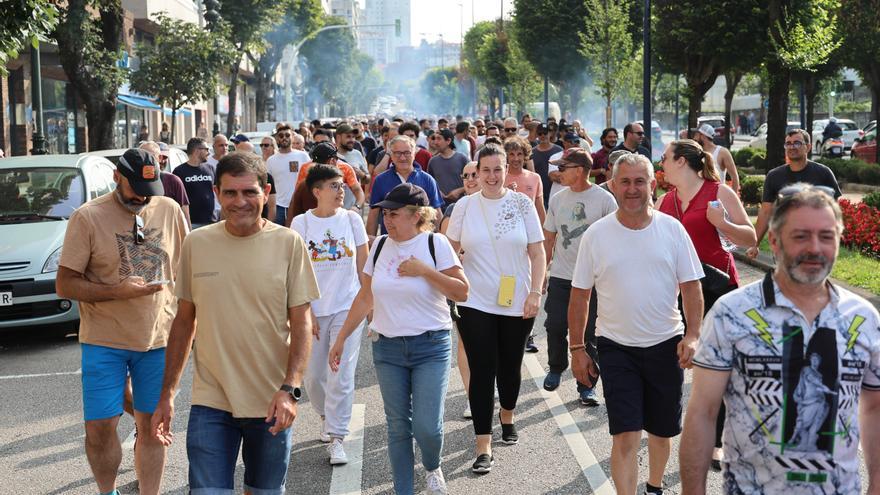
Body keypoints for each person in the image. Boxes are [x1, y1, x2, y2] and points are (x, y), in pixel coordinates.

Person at [680, 184, 880, 494]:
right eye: (800, 236)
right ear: (774, 241)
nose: (814, 248)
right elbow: (702, 414)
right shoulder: (731, 313)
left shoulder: (864, 319)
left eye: (826, 236)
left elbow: (875, 410)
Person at [151, 152, 320, 494]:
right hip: (212, 401)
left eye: (249, 192)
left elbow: (301, 323)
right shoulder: (197, 244)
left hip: (272, 401)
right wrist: (167, 393)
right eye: (230, 193)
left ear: (266, 191)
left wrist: (290, 389)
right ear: (216, 194)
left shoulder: (289, 243)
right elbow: (184, 323)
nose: (239, 202)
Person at [568, 153, 705, 495]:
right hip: (616, 347)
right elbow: (580, 295)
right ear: (612, 185)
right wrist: (577, 348)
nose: (632, 189)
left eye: (639, 181)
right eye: (625, 182)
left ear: (652, 185)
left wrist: (692, 335)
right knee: (626, 434)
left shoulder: (672, 230)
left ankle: (654, 487)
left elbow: (691, 287)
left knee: (661, 433)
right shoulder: (596, 235)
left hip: (665, 344)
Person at [56, 148, 188, 495]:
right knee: (99, 427)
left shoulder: (169, 209)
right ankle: (107, 492)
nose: (143, 198)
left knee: (151, 424)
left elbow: (188, 272)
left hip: (158, 339)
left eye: (150, 190)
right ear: (117, 177)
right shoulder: (87, 217)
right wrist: (117, 291)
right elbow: (65, 283)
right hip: (105, 340)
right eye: (135, 189)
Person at [328, 183, 468, 495]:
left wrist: (425, 271)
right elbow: (365, 297)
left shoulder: (435, 243)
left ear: (417, 215)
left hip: (431, 345)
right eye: (385, 213)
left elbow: (462, 291)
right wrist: (340, 339)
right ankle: (403, 489)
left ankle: (432, 465)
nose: (387, 220)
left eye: (395, 214)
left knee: (427, 427)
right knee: (398, 426)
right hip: (387, 347)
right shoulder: (378, 246)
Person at [656, 139, 757, 471]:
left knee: (714, 367)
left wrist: (722, 222)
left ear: (682, 162)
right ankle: (672, 426)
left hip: (716, 289)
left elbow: (749, 237)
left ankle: (716, 442)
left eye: (666, 159)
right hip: (677, 292)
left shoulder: (719, 192)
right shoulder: (666, 201)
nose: (662, 165)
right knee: (678, 361)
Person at [447, 143, 546, 474]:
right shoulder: (464, 207)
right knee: (481, 370)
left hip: (515, 300)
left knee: (509, 368)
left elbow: (537, 251)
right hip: (473, 301)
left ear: (507, 170)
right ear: (476, 172)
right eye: (484, 170)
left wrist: (534, 292)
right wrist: (452, 265)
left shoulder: (521, 204)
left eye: (497, 169)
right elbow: (449, 249)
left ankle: (507, 414)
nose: (490, 176)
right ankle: (483, 444)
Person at [291, 164, 368, 466]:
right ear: (317, 192)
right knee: (312, 377)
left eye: (343, 186)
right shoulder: (301, 223)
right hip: (312, 308)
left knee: (341, 373)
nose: (342, 191)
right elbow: (295, 270)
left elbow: (364, 266)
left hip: (347, 307)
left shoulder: (352, 220)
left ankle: (337, 437)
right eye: (335, 186)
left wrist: (369, 304)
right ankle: (326, 415)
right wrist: (305, 309)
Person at [542, 148, 617, 406]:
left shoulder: (605, 200)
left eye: (562, 168)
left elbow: (616, 240)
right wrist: (542, 273)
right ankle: (556, 366)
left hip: (593, 280)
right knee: (554, 326)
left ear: (579, 170)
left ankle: (586, 385)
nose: (557, 173)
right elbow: (549, 238)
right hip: (562, 276)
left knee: (587, 334)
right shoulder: (558, 199)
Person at [747, 129, 841, 260]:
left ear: (808, 147)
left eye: (797, 143)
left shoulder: (823, 173)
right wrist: (754, 244)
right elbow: (765, 212)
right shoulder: (774, 176)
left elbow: (835, 210)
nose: (792, 147)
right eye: (788, 144)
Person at [367, 135, 443, 238]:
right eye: (397, 153)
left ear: (414, 153)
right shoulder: (380, 180)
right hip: (391, 242)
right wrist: (370, 243)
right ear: (391, 155)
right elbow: (373, 214)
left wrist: (443, 240)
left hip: (421, 242)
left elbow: (437, 213)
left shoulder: (428, 180)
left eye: (407, 153)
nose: (402, 158)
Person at [286, 141, 365, 219]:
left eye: (322, 165)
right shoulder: (306, 168)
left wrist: (356, 207)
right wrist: (290, 225)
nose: (318, 168)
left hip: (336, 216)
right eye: (316, 164)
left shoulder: (345, 168)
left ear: (332, 161)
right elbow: (295, 198)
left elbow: (358, 191)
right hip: (311, 215)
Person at [266, 124, 311, 226]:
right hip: (278, 207)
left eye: (287, 135)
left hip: (298, 204)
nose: (284, 138)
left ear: (292, 137)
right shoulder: (271, 160)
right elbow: (269, 185)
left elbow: (310, 179)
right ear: (277, 139)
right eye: (281, 136)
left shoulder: (303, 156)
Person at [139, 141, 191, 227]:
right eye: (144, 157)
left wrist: (187, 238)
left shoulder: (173, 180)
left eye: (165, 157)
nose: (162, 160)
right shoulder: (132, 182)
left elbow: (185, 214)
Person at [173, 138, 216, 228]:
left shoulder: (210, 168)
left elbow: (218, 192)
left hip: (211, 221)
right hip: (191, 223)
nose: (209, 153)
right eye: (206, 149)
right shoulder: (179, 171)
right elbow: (177, 199)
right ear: (197, 150)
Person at [694, 124, 740, 193]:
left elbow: (734, 177)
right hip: (699, 199)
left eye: (697, 135)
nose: (694, 138)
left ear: (703, 136)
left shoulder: (722, 152)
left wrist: (734, 199)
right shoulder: (696, 152)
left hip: (717, 200)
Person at [427, 128, 469, 204]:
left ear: (448, 141)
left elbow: (470, 180)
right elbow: (429, 183)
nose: (435, 142)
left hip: (460, 204)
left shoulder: (462, 159)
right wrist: (437, 191)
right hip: (440, 206)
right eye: (434, 139)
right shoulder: (433, 161)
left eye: (439, 139)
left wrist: (460, 190)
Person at [532, 124, 563, 208]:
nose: (543, 136)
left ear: (550, 134)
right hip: (539, 193)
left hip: (556, 191)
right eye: (540, 133)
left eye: (545, 133)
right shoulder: (532, 153)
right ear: (537, 135)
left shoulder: (559, 150)